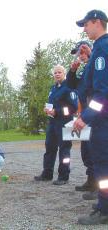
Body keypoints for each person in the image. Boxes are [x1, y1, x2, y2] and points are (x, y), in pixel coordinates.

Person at [73, 9, 108, 225]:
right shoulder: (99, 49)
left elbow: (102, 93)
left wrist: (86, 117)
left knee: (103, 167)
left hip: (103, 121)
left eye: (86, 24)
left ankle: (104, 209)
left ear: (97, 22)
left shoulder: (103, 49)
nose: (85, 29)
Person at [34, 65, 78, 185]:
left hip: (65, 123)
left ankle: (64, 176)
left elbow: (73, 108)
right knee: (49, 148)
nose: (57, 74)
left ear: (64, 74)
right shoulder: (53, 88)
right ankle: (47, 174)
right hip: (52, 123)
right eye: (55, 73)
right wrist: (48, 109)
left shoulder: (69, 87)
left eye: (59, 72)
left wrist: (57, 111)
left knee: (64, 150)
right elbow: (51, 104)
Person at [66, 41, 97, 193]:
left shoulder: (96, 64)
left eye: (82, 52)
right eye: (79, 54)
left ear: (89, 50)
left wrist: (91, 55)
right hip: (86, 114)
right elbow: (72, 85)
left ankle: (99, 189)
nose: (81, 56)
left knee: (97, 151)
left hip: (96, 114)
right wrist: (72, 71)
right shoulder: (85, 70)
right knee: (86, 151)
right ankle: (91, 181)